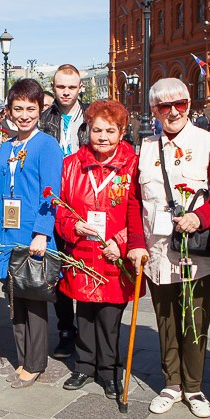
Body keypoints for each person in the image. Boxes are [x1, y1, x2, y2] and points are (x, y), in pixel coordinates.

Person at [129, 79, 210, 418]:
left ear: (189, 104)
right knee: (166, 317)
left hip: (195, 249)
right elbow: (133, 201)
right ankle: (171, 383)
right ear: (154, 111)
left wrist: (201, 216)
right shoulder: (146, 147)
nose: (173, 112)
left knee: (195, 318)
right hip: (158, 249)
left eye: (179, 104)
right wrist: (136, 244)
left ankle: (194, 387)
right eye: (163, 107)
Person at [56, 100, 145, 399]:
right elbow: (61, 209)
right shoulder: (72, 165)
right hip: (82, 253)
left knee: (109, 317)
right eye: (97, 130)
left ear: (121, 132)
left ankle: (108, 371)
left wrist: (121, 242)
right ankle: (83, 365)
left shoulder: (134, 165)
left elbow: (140, 212)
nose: (103, 137)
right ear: (88, 131)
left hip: (113, 256)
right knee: (84, 314)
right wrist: (73, 225)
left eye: (110, 130)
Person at [0, 79, 63, 388]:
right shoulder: (6, 146)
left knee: (33, 300)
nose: (24, 115)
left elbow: (51, 194)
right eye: (18, 108)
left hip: (32, 235)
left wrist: (42, 234)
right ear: (8, 110)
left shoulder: (47, 145)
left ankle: (34, 362)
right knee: (14, 299)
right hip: (7, 236)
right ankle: (22, 357)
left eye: (30, 108)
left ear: (40, 109)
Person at [39, 64, 89, 360]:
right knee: (56, 267)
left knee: (83, 263)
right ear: (54, 87)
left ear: (80, 87)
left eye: (71, 87)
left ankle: (86, 329)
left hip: (84, 197)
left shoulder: (92, 118)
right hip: (54, 198)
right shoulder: (45, 119)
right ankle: (66, 330)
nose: (66, 92)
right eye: (60, 87)